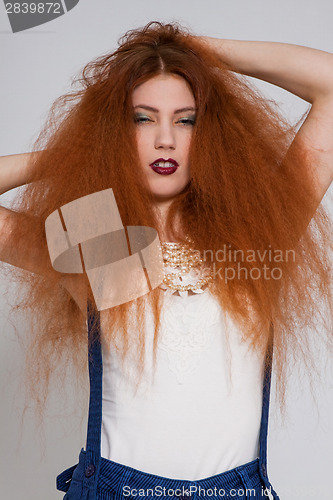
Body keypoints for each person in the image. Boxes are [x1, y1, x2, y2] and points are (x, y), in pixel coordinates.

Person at [0, 20, 332, 500]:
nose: (165, 139)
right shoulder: (101, 244)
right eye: (142, 118)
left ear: (210, 131)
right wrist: (63, 157)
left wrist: (193, 50)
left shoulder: (255, 234)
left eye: (185, 119)